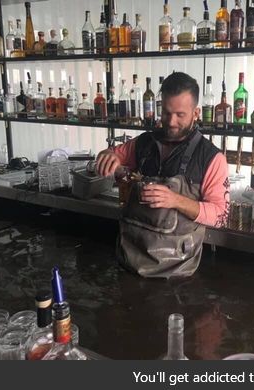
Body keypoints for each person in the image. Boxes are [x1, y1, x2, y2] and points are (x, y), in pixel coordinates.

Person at [95, 72, 229, 278]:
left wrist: (175, 200)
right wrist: (107, 155)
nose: (171, 122)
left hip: (176, 273)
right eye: (166, 113)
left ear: (196, 113)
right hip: (128, 258)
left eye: (180, 115)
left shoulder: (211, 158)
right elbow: (112, 155)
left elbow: (220, 216)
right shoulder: (143, 143)